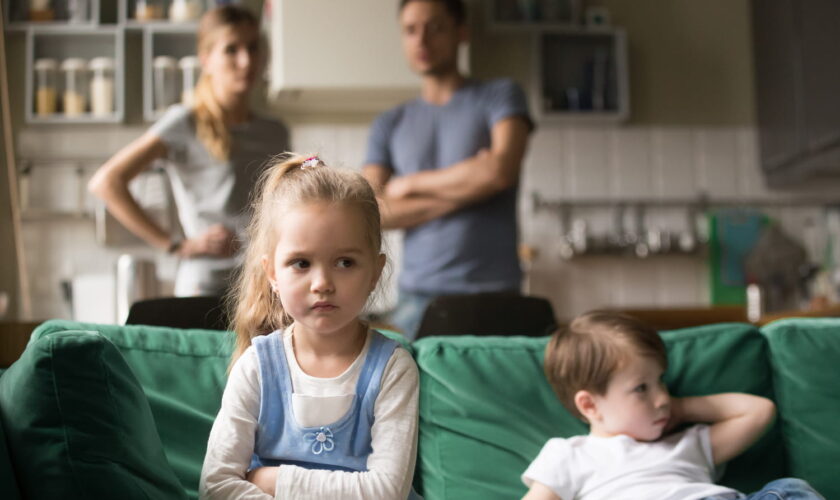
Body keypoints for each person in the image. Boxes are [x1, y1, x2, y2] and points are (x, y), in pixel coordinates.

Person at [199, 154, 421, 499]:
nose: (322, 283)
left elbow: (385, 492)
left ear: (375, 272)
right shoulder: (256, 367)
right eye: (301, 263)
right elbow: (217, 485)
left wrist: (275, 482)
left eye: (345, 262)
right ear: (272, 273)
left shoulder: (393, 369)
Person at [88, 5, 289, 297]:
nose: (246, 61)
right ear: (206, 59)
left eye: (253, 48)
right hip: (206, 285)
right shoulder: (184, 123)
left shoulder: (275, 132)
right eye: (231, 50)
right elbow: (106, 183)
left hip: (264, 284)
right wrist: (177, 245)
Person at [362, 0, 533, 339]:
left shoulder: (501, 96)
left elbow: (500, 172)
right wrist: (472, 185)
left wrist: (410, 184)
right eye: (411, 30)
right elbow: (370, 212)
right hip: (417, 301)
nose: (422, 40)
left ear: (461, 32)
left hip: (495, 295)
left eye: (435, 27)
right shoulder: (389, 122)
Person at [521, 311, 825, 500]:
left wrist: (682, 408)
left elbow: (759, 412)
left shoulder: (687, 443)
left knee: (789, 489)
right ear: (590, 405)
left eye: (661, 381)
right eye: (642, 388)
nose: (662, 397)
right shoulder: (569, 454)